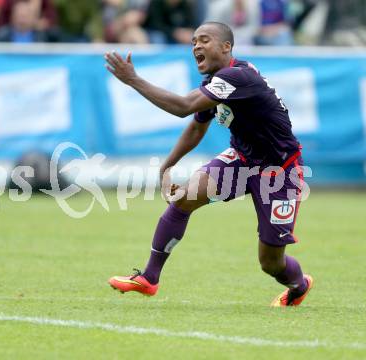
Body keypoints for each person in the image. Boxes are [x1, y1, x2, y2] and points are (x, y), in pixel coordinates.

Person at [105, 22, 313, 307]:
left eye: (204, 40)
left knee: (270, 263)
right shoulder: (216, 85)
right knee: (183, 199)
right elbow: (196, 128)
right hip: (242, 159)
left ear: (227, 47)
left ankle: (298, 285)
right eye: (193, 42)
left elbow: (182, 106)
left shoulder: (238, 77)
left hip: (280, 172)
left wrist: (134, 80)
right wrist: (168, 166)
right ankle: (149, 278)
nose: (196, 47)